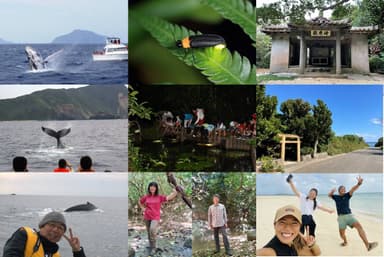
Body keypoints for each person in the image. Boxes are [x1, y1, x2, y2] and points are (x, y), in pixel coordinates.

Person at [3, 211, 86, 257]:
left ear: (62, 235)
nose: (55, 230)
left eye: (60, 228)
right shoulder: (24, 234)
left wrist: (77, 251)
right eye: (52, 225)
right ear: (42, 226)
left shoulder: (55, 255)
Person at [328, 176, 378, 251]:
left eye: (344, 189)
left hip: (349, 216)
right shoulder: (336, 197)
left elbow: (352, 189)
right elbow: (329, 195)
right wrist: (332, 192)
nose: (343, 190)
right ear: (339, 191)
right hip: (341, 218)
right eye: (341, 189)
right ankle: (345, 242)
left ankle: (368, 245)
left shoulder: (347, 195)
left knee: (359, 227)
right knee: (341, 234)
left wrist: (358, 184)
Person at [256, 205, 321, 256]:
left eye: (294, 223)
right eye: (282, 222)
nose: (287, 228)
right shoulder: (269, 252)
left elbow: (316, 254)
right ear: (275, 225)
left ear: (299, 227)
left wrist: (311, 244)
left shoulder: (293, 244)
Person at [139, 182, 178, 255]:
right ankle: (151, 246)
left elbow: (169, 197)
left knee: (152, 229)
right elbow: (140, 202)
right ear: (149, 188)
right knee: (149, 232)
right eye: (151, 186)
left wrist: (175, 192)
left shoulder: (159, 197)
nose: (152, 188)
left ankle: (154, 248)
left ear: (156, 188)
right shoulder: (146, 197)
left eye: (154, 186)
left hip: (155, 217)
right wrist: (143, 209)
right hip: (147, 216)